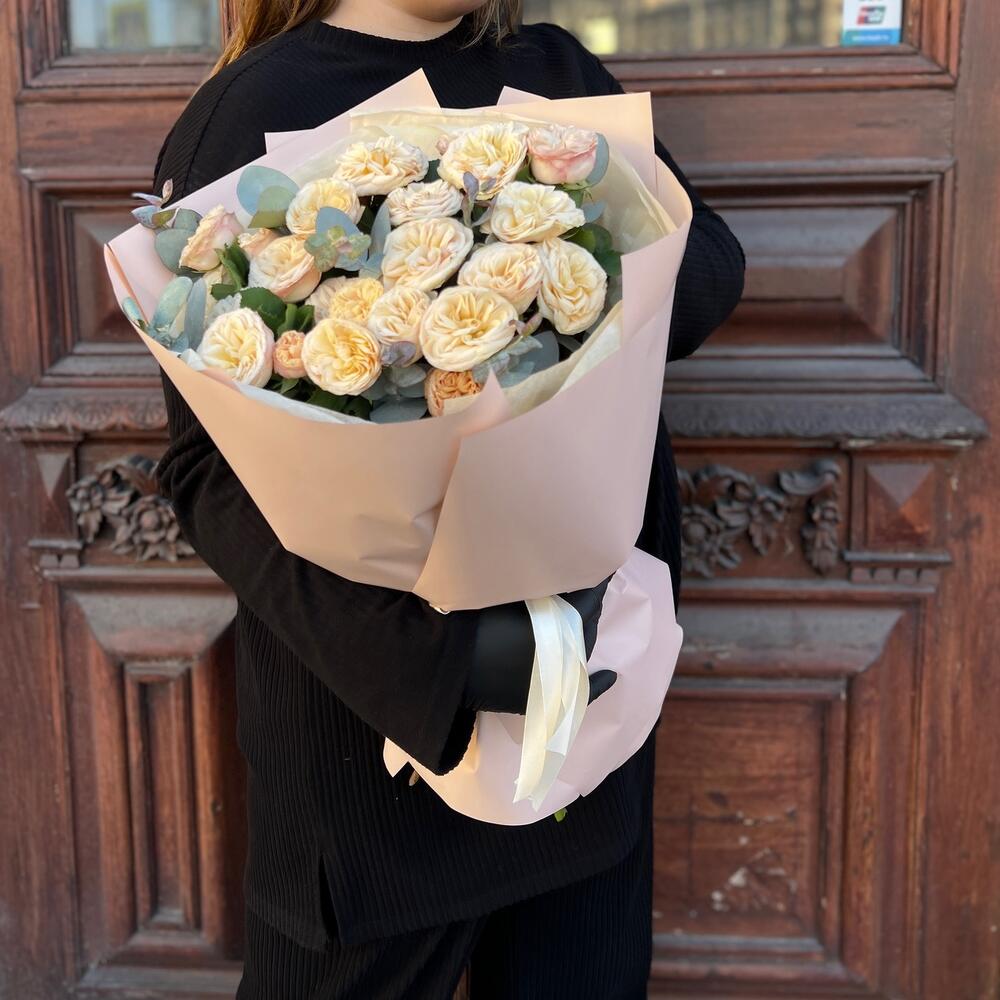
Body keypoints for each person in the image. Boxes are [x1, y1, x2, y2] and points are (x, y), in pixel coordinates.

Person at [151, 1, 745, 996]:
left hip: (578, 705)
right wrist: (455, 667)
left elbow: (706, 279)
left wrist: (551, 245)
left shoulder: (550, 70)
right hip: (375, 758)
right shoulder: (254, 108)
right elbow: (208, 473)